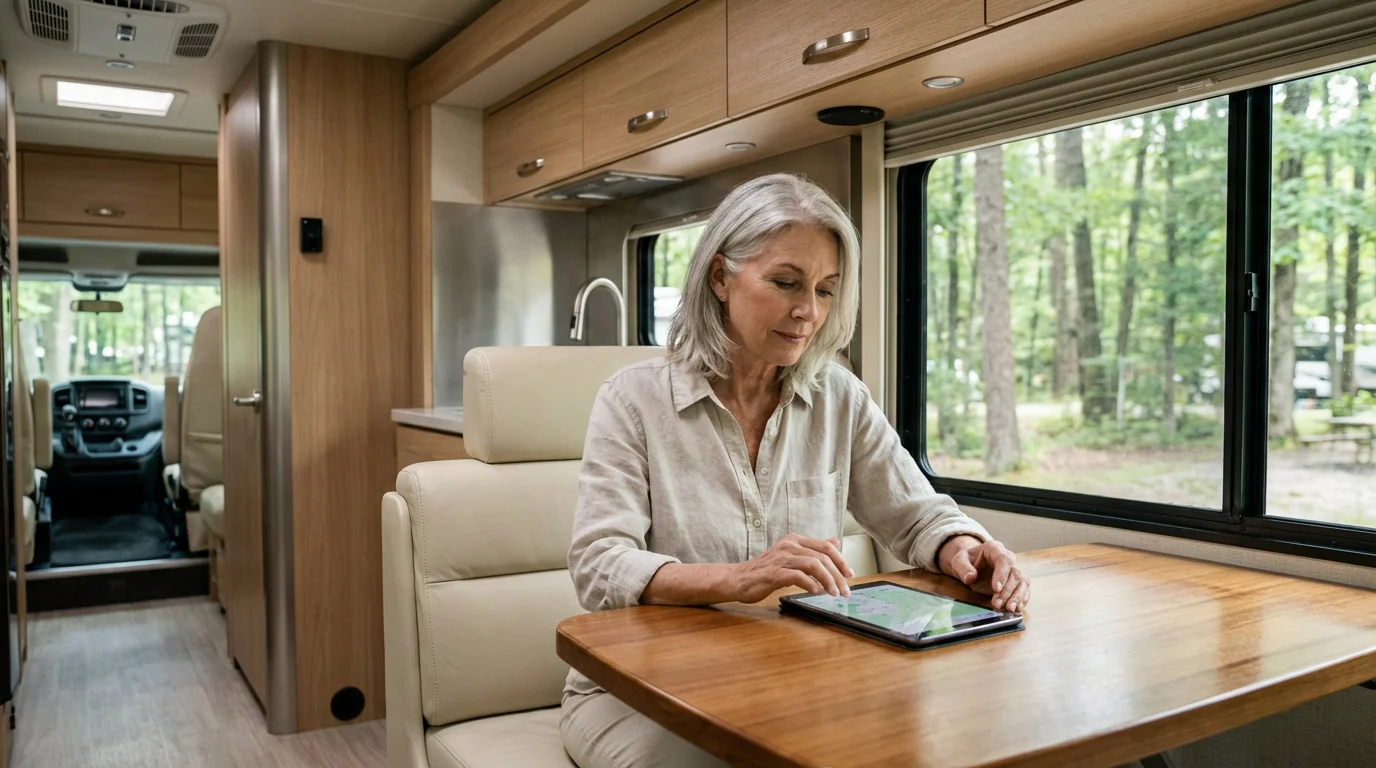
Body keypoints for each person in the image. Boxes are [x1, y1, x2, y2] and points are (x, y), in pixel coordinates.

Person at [561, 173, 1030, 768]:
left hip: (793, 679)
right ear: (720, 277)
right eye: (786, 283)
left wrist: (965, 546)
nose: (808, 311)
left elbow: (915, 513)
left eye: (826, 290)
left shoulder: (840, 396)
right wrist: (740, 579)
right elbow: (600, 565)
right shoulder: (632, 402)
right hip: (641, 692)